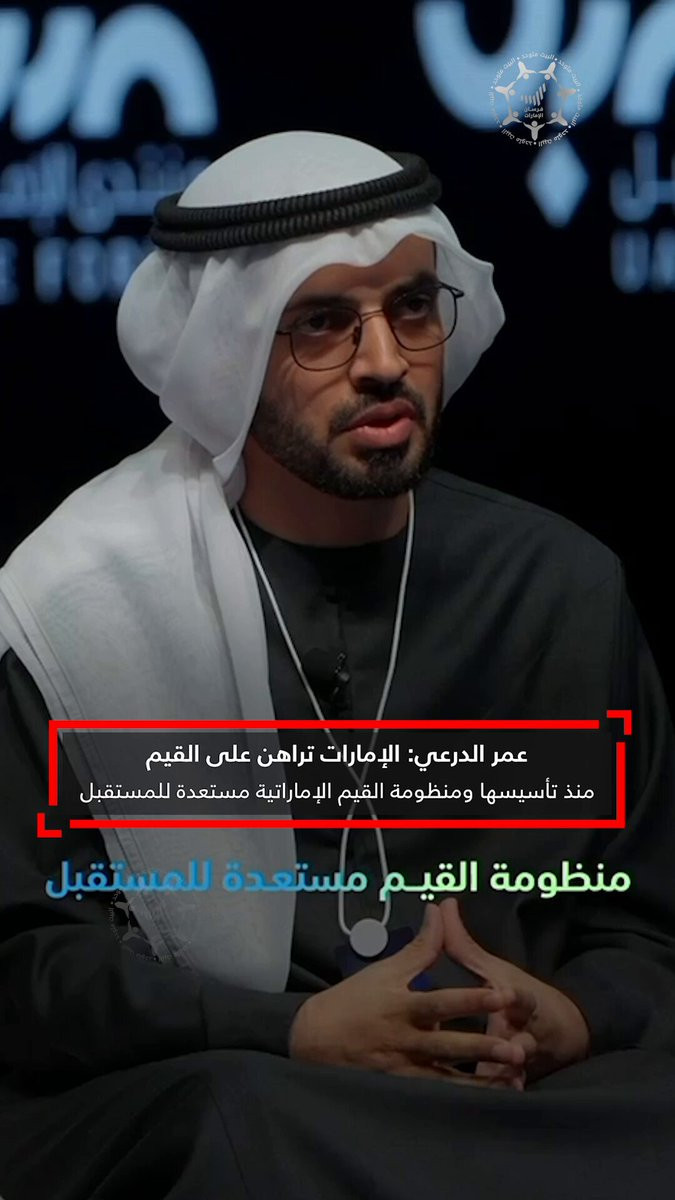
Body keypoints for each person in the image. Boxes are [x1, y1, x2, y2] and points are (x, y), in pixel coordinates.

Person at [1, 130, 675, 1200]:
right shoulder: (83, 605)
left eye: (412, 308)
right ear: (226, 350)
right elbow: (31, 963)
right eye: (321, 323)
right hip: (249, 1078)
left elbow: (642, 923)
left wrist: (570, 1015)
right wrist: (295, 1030)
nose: (385, 361)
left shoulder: (557, 586)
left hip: (519, 1100)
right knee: (238, 1125)